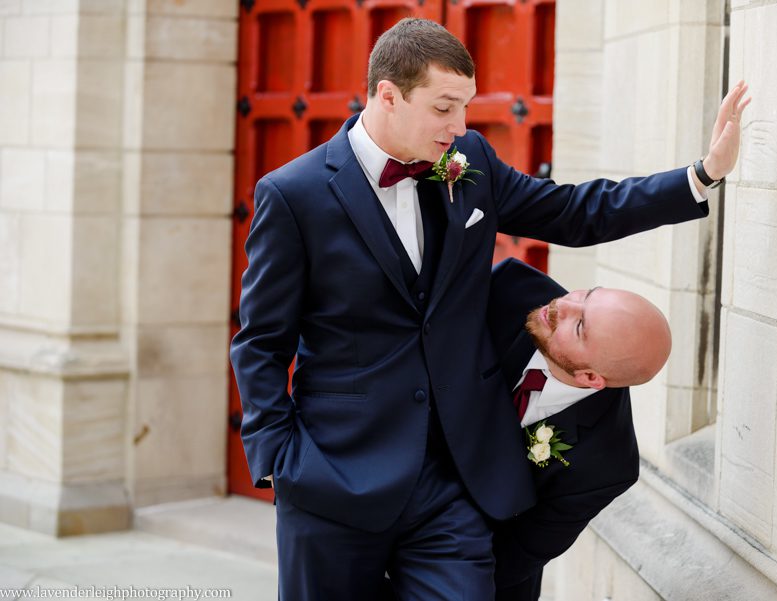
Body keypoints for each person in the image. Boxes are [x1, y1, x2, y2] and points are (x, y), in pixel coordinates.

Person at [229, 17, 749, 600]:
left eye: (466, 107)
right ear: (388, 96)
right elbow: (261, 341)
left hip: (454, 485)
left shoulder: (468, 160)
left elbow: (574, 211)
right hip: (333, 476)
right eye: (445, 108)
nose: (461, 126)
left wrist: (700, 177)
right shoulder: (293, 195)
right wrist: (277, 458)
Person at [484, 258, 670, 601]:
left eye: (580, 325)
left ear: (589, 378)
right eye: (587, 294)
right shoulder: (511, 287)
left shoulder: (607, 465)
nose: (562, 305)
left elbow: (518, 553)